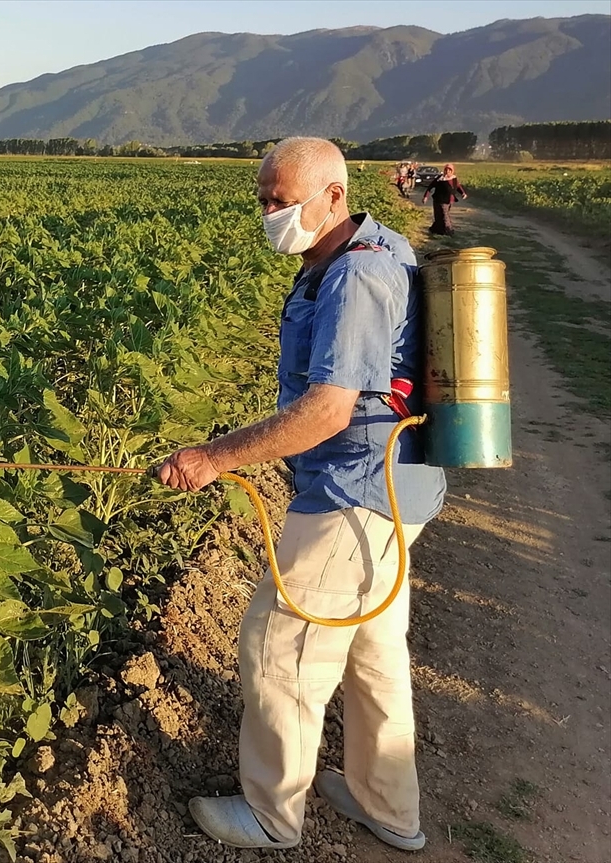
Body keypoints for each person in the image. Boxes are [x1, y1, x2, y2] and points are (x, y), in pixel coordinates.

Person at [155, 137, 446, 853]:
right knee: (373, 654)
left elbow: (327, 411)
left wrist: (214, 456)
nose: (270, 214)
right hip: (389, 490)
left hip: (351, 493)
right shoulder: (361, 254)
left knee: (280, 646)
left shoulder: (355, 278)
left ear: (334, 197)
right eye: (263, 200)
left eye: (281, 201)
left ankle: (272, 813)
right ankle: (389, 806)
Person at [423, 163, 468, 236]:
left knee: (441, 216)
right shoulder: (439, 179)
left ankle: (435, 230)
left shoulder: (454, 179)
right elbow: (430, 187)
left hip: (450, 201)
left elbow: (458, 186)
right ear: (444, 171)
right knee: (444, 215)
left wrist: (463, 193)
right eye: (446, 170)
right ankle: (449, 231)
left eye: (450, 170)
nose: (448, 172)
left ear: (452, 171)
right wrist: (425, 196)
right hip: (439, 200)